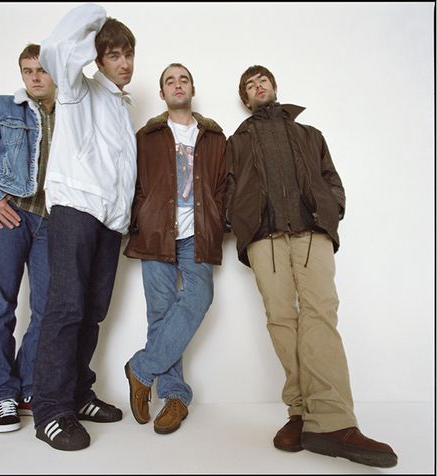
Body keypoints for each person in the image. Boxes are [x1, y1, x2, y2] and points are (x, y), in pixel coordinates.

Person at [225, 65, 398, 468]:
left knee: (320, 315)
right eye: (250, 85)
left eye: (262, 80)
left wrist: (331, 209)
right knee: (282, 320)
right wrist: (241, 221)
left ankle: (333, 420)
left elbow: (331, 178)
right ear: (245, 99)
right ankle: (302, 414)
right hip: (264, 239)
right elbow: (228, 187)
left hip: (311, 233)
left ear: (274, 87)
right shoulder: (238, 141)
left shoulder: (309, 134)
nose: (258, 86)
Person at [31, 3, 137, 451]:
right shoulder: (79, 88)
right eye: (114, 54)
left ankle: (77, 392)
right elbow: (55, 46)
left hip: (110, 222)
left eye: (129, 53)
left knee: (92, 311)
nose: (125, 62)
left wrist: (124, 219)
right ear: (97, 57)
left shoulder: (120, 105)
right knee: (66, 308)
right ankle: (51, 410)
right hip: (76, 209)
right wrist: (100, 16)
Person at [123, 63, 226, 435]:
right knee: (161, 313)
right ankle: (175, 396)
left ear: (192, 89)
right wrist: (139, 215)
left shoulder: (215, 136)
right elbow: (129, 181)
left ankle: (141, 369)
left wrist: (219, 220)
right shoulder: (146, 136)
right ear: (162, 93)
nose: (177, 85)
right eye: (170, 81)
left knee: (199, 296)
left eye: (183, 79)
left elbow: (224, 185)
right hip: (154, 232)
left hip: (198, 232)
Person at [0, 44, 56, 433]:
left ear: (54, 73)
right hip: (9, 215)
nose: (34, 77)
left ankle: (30, 387)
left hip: (51, 221)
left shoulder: (70, 115)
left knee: (48, 309)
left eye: (41, 70)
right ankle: (0, 394)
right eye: (27, 70)